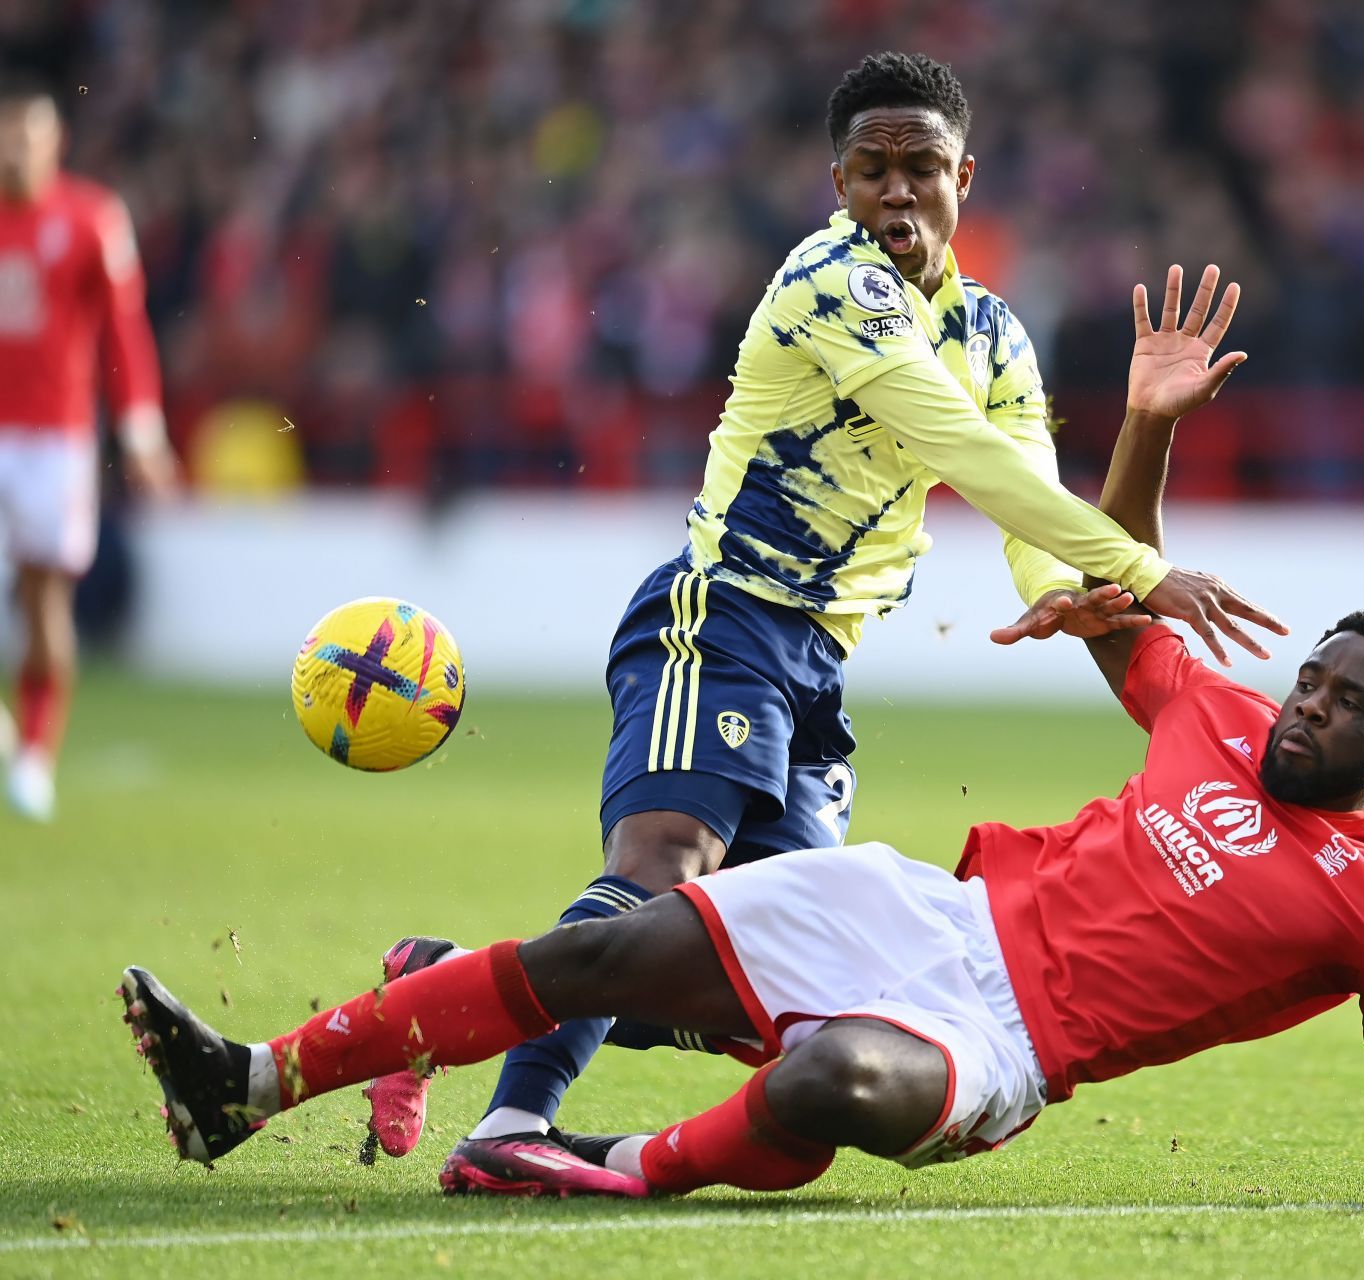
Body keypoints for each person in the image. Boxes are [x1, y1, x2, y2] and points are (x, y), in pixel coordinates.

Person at [122, 266, 1364, 1216]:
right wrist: (1148, 423)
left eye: (1353, 704)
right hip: (922, 909)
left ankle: (604, 1170)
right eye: (1317, 675)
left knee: (823, 1084)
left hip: (996, 1041)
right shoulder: (1218, 713)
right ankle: (245, 1084)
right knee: (609, 948)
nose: (1313, 703)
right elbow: (1124, 582)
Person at [358, 51, 1284, 1193]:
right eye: (873, 169)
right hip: (727, 610)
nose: (897, 191)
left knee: (772, 990)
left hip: (817, 665)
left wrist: (1058, 582)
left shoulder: (994, 333)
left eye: (923, 168)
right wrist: (1141, 563)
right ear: (837, 181)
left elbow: (1021, 493)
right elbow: (963, 451)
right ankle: (512, 1120)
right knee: (662, 871)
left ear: (966, 177)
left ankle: (438, 985)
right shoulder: (830, 283)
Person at [0, 72, 177, 822]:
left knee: (44, 599)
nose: (14, 151)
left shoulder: (89, 218)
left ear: (53, 142)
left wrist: (141, 430)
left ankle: (36, 754)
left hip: (54, 442)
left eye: (27, 135)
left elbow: (124, 331)